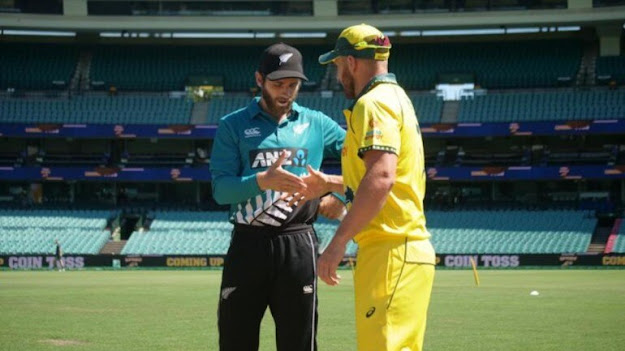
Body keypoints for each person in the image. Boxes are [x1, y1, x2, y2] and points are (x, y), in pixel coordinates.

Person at [209, 43, 346, 351]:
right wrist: (262, 180)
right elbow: (221, 190)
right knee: (236, 340)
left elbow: (366, 162)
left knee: (299, 343)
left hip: (299, 245)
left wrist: (341, 193)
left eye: (293, 85)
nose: (286, 91)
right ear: (259, 80)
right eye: (277, 84)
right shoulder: (233, 125)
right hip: (247, 245)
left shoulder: (317, 123)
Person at [313, 24, 437, 351]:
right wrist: (329, 182)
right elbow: (389, 177)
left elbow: (382, 178)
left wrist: (337, 243)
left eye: (338, 66)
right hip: (398, 250)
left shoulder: (373, 103)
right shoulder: (397, 98)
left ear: (352, 62)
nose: (338, 75)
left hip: (390, 250)